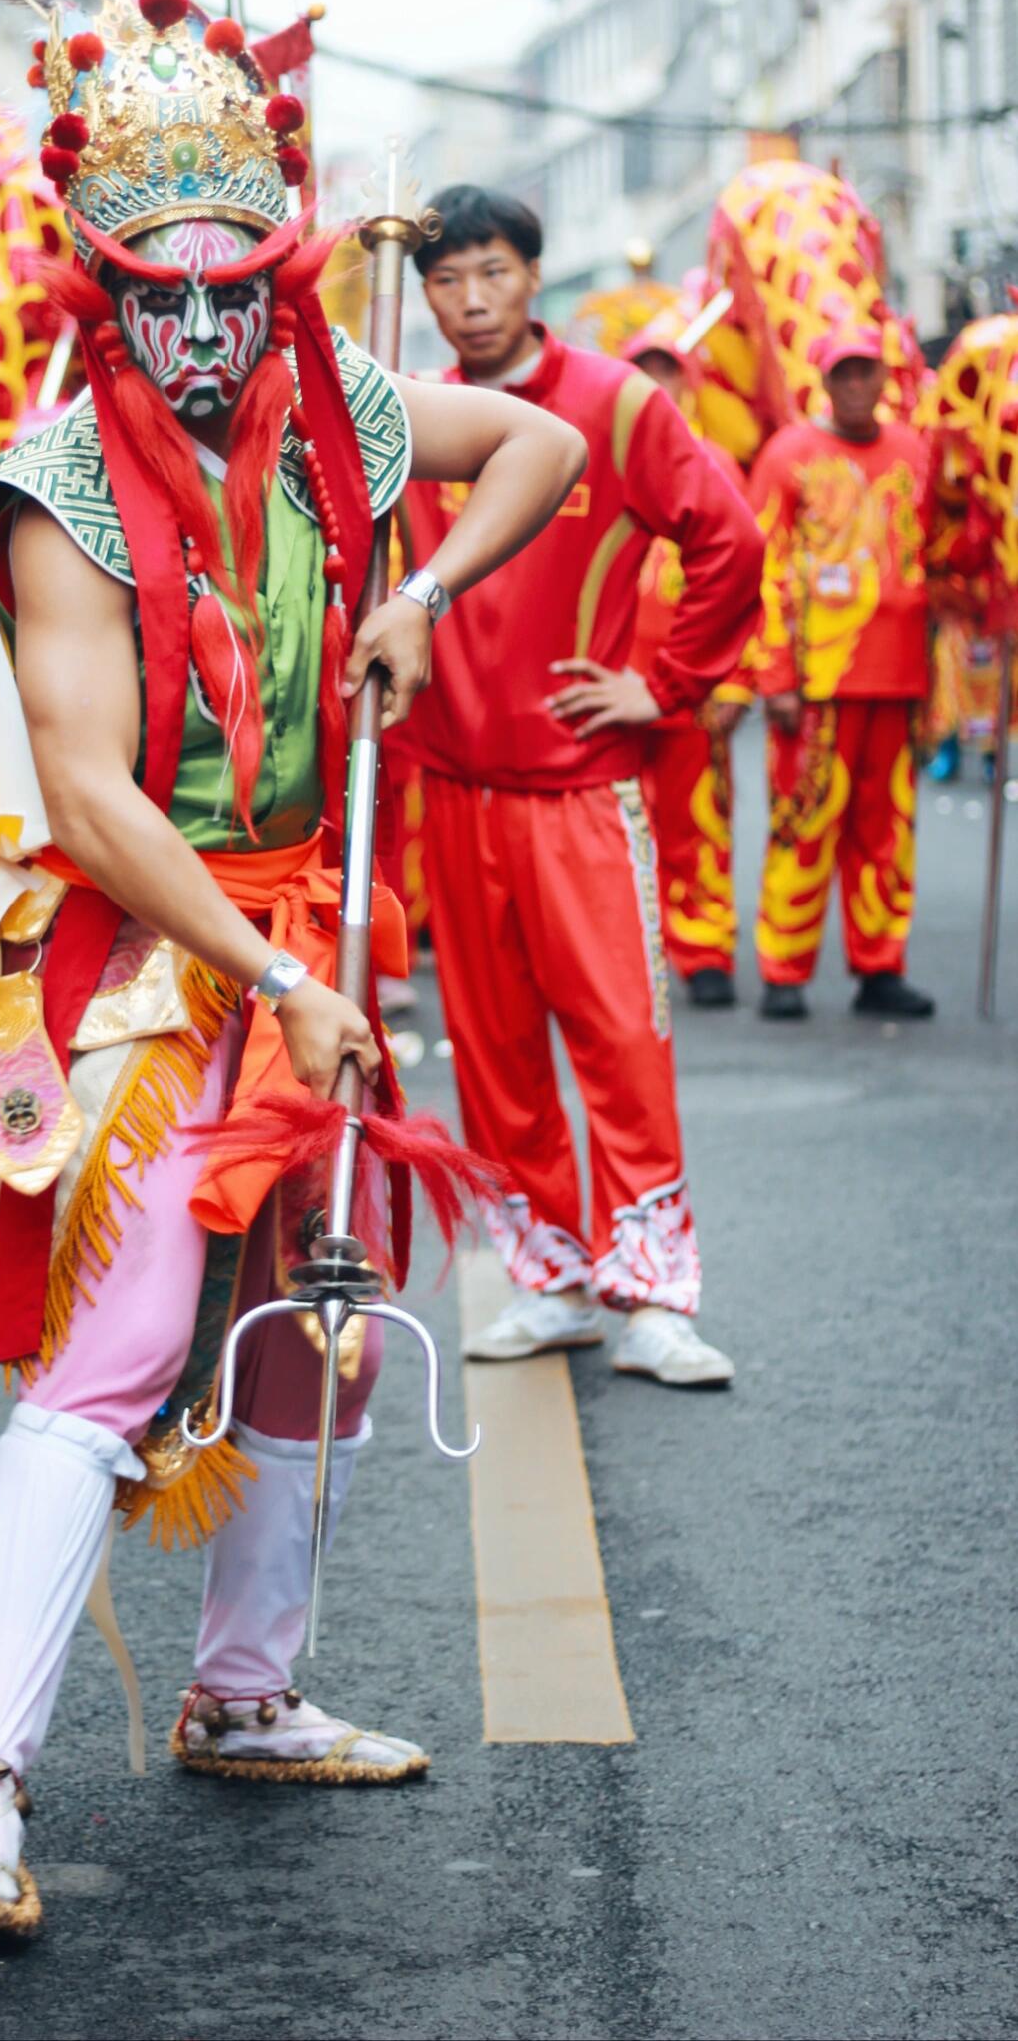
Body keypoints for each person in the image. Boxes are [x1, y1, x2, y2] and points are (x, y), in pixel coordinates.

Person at [0, 0, 585, 1935]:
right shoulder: (58, 478)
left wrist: (416, 587)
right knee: (103, 1361)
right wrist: (277, 982)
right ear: (104, 287)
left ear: (273, 275)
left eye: (228, 287)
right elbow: (95, 792)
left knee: (312, 1328)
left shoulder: (349, 400)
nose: (192, 328)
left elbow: (542, 446)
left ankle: (244, 1691)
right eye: (151, 291)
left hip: (310, 926)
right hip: (141, 957)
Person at [398, 187, 762, 1387]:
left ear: (532, 273)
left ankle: (651, 1294)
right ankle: (548, 1279)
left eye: (490, 272)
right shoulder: (402, 416)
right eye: (445, 280)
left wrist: (659, 684)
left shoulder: (613, 404)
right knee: (492, 1051)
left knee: (618, 1041)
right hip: (452, 785)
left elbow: (727, 537)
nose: (470, 300)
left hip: (578, 788)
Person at [748, 328, 938, 1020]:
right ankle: (784, 968)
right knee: (803, 822)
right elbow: (764, 570)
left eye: (868, 372)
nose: (857, 385)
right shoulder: (788, 454)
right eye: (844, 373)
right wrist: (776, 679)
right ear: (824, 380)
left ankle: (880, 965)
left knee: (889, 830)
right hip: (818, 684)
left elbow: (938, 554)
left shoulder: (916, 450)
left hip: (899, 681)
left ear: (884, 377)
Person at [622, 322, 756, 1009]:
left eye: (667, 369)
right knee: (612, 825)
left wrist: (735, 675)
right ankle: (623, 949)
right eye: (641, 369)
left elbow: (751, 574)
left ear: (687, 380)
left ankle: (703, 948)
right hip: (610, 681)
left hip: (691, 680)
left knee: (698, 819)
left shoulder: (718, 464)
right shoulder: (591, 454)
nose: (655, 383)